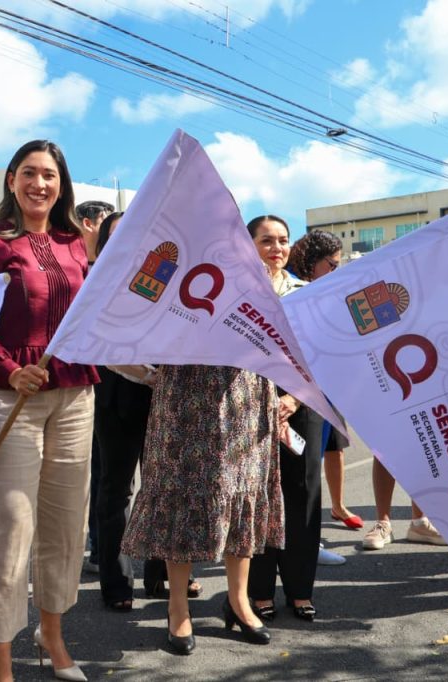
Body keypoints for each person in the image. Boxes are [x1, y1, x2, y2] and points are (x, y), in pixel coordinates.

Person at [0, 140, 98, 682]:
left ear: (62, 185)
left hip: (76, 394)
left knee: (65, 525)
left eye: (50, 175)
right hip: (9, 396)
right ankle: (0, 657)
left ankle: (53, 635)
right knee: (13, 525)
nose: (40, 184)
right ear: (12, 180)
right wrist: (6, 369)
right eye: (30, 173)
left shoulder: (75, 242)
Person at [122, 227, 283, 654]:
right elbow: (136, 316)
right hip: (184, 394)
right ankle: (177, 606)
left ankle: (239, 600)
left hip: (245, 395)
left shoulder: (255, 273)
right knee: (180, 494)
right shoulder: (175, 264)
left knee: (243, 493)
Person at [88, 212, 178, 610]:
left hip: (167, 396)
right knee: (116, 491)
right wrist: (145, 374)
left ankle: (163, 575)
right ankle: (116, 582)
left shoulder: (170, 274)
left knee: (163, 488)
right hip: (117, 395)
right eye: (119, 232)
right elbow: (98, 342)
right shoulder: (97, 281)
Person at [247, 216, 326, 622]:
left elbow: (322, 353)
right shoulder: (236, 294)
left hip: (301, 405)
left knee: (302, 494)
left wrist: (293, 399)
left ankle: (300, 590)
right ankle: (258, 591)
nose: (276, 248)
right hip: (248, 406)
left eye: (282, 240)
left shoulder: (308, 294)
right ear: (248, 245)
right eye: (266, 241)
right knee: (255, 496)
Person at [286, 230, 353, 568]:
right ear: (313, 262)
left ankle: (307, 543)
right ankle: (302, 547)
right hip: (297, 396)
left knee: (308, 472)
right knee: (301, 474)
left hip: (319, 391)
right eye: (333, 265)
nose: (337, 272)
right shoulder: (293, 291)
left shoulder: (319, 291)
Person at [75, 199, 114, 575]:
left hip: (121, 384)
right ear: (88, 225)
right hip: (84, 385)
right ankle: (98, 547)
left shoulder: (120, 269)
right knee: (96, 472)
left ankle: (105, 547)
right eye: (107, 224)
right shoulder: (74, 267)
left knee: (108, 473)